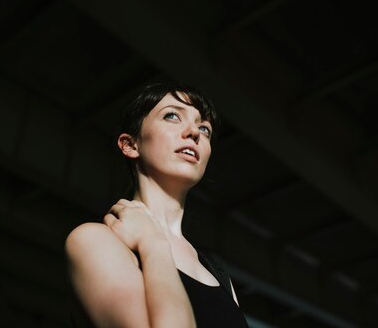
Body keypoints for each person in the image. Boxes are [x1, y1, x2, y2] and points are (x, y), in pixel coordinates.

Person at [65, 83, 249, 328]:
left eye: (204, 128)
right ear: (131, 145)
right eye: (172, 116)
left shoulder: (218, 273)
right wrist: (153, 244)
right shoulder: (93, 240)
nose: (194, 132)